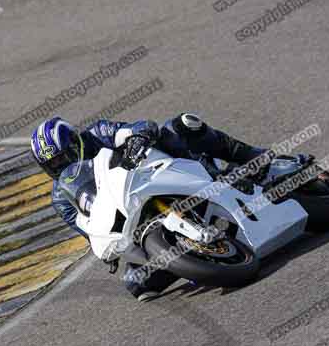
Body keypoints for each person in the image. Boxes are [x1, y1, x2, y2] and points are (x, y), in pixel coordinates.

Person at [30, 113, 268, 301]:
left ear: (75, 143)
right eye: (53, 164)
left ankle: (240, 160)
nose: (60, 166)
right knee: (135, 282)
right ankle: (192, 257)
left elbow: (141, 126)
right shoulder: (61, 198)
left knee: (180, 125)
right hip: (129, 217)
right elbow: (86, 228)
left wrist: (138, 137)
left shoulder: (97, 133)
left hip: (152, 175)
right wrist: (108, 251)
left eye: (62, 157)